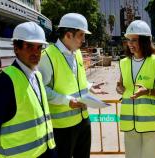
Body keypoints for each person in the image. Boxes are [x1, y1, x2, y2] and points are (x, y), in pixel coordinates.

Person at [38, 13, 106, 158]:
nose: (84, 40)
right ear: (69, 35)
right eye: (81, 35)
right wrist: (66, 101)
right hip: (62, 127)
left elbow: (75, 81)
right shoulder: (47, 56)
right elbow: (41, 89)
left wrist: (89, 86)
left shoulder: (77, 53)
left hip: (83, 119)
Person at [0, 22, 56, 158]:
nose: (36, 52)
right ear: (16, 48)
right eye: (29, 46)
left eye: (39, 47)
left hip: (44, 151)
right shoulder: (5, 81)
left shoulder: (37, 75)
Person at [116, 20, 155, 158]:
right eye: (128, 40)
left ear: (144, 41)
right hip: (130, 125)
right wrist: (119, 88)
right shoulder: (124, 63)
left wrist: (147, 92)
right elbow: (121, 87)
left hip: (151, 124)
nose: (130, 44)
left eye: (134, 40)